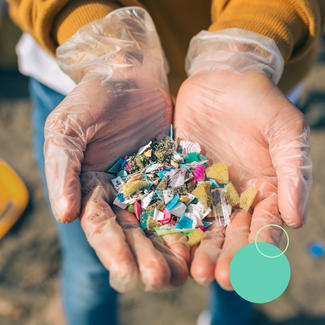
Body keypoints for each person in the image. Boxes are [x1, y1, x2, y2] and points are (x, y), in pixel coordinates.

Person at [7, 1, 323, 324]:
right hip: (88, 84)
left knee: (236, 257)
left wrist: (247, 49)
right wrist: (97, 42)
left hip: (251, 95)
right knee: (90, 266)